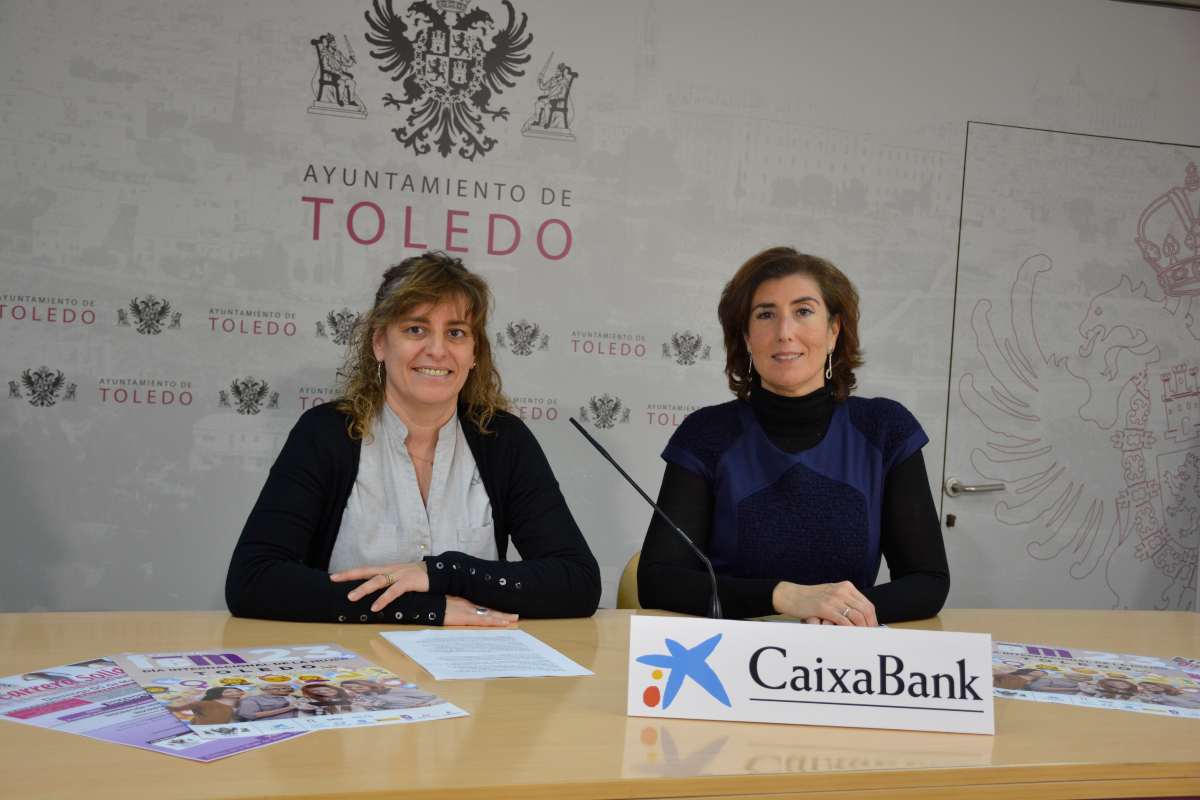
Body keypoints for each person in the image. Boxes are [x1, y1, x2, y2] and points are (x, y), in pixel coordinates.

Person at [225, 252, 601, 626]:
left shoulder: (503, 439)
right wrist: (430, 609)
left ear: (474, 353)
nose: (437, 350)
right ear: (379, 343)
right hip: (352, 673)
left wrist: (441, 573)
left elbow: (577, 582)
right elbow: (254, 580)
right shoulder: (325, 433)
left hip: (473, 674)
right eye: (415, 329)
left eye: (455, 333)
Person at [637, 247, 949, 625]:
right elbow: (658, 582)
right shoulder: (706, 434)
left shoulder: (885, 429)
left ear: (834, 330)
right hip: (730, 656)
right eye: (766, 314)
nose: (785, 332)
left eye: (803, 311)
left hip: (845, 654)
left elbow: (927, 581)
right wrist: (785, 597)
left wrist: (836, 614)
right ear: (747, 337)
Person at [340, 678, 438, 710]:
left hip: (425, 706)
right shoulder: (364, 697)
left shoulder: (389, 690)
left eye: (355, 686)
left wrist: (421, 704)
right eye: (349, 688)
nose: (354, 689)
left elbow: (428, 695)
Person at [168, 686, 245, 725]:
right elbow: (177, 709)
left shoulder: (243, 703)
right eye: (228, 692)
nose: (234, 693)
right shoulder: (205, 704)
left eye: (237, 691)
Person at [236, 684, 301, 721]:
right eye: (277, 688)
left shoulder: (297, 697)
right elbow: (250, 715)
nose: (284, 690)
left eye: (286, 688)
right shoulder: (251, 699)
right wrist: (289, 708)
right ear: (265, 690)